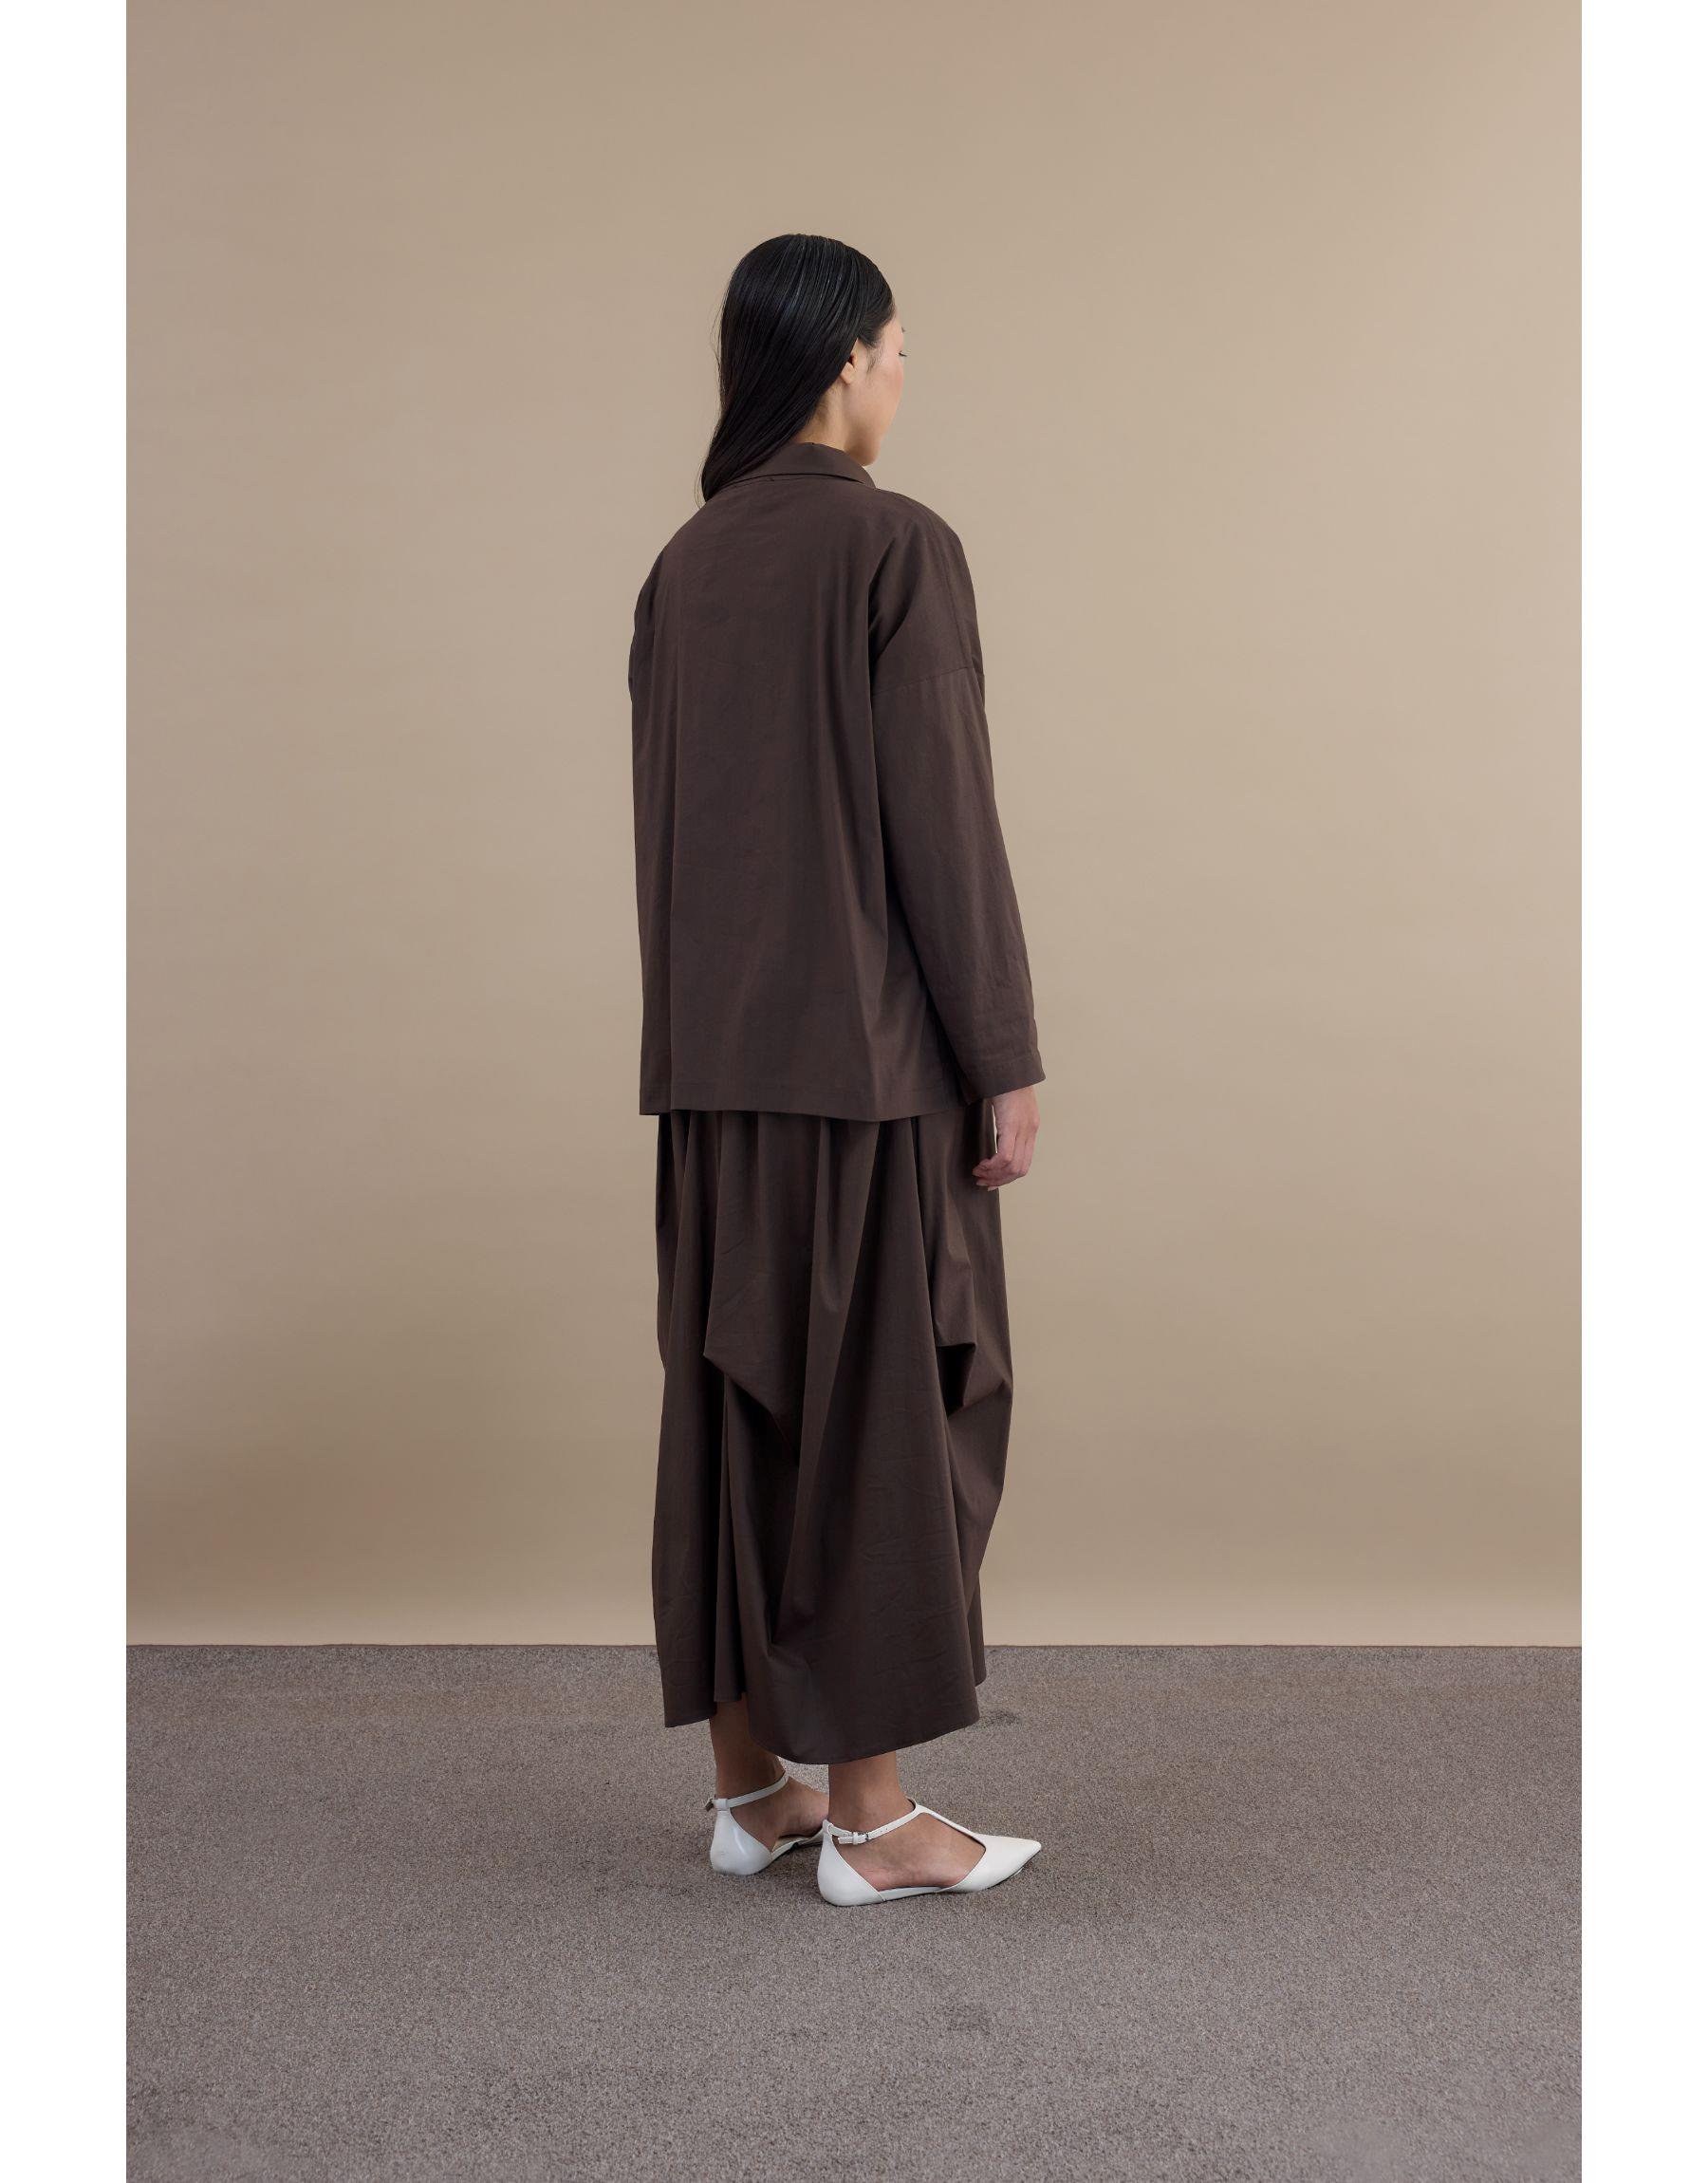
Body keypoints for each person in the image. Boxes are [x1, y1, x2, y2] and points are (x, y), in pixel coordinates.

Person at [627, 233, 1045, 1906]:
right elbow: (945, 820)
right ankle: (874, 1824)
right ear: (846, 360)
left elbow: (670, 835)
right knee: (884, 1422)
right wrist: (1002, 1055)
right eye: (897, 351)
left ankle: (754, 1792)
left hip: (713, 1073)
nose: (902, 379)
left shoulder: (684, 565)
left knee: (737, 1411)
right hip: (865, 1074)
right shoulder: (895, 546)